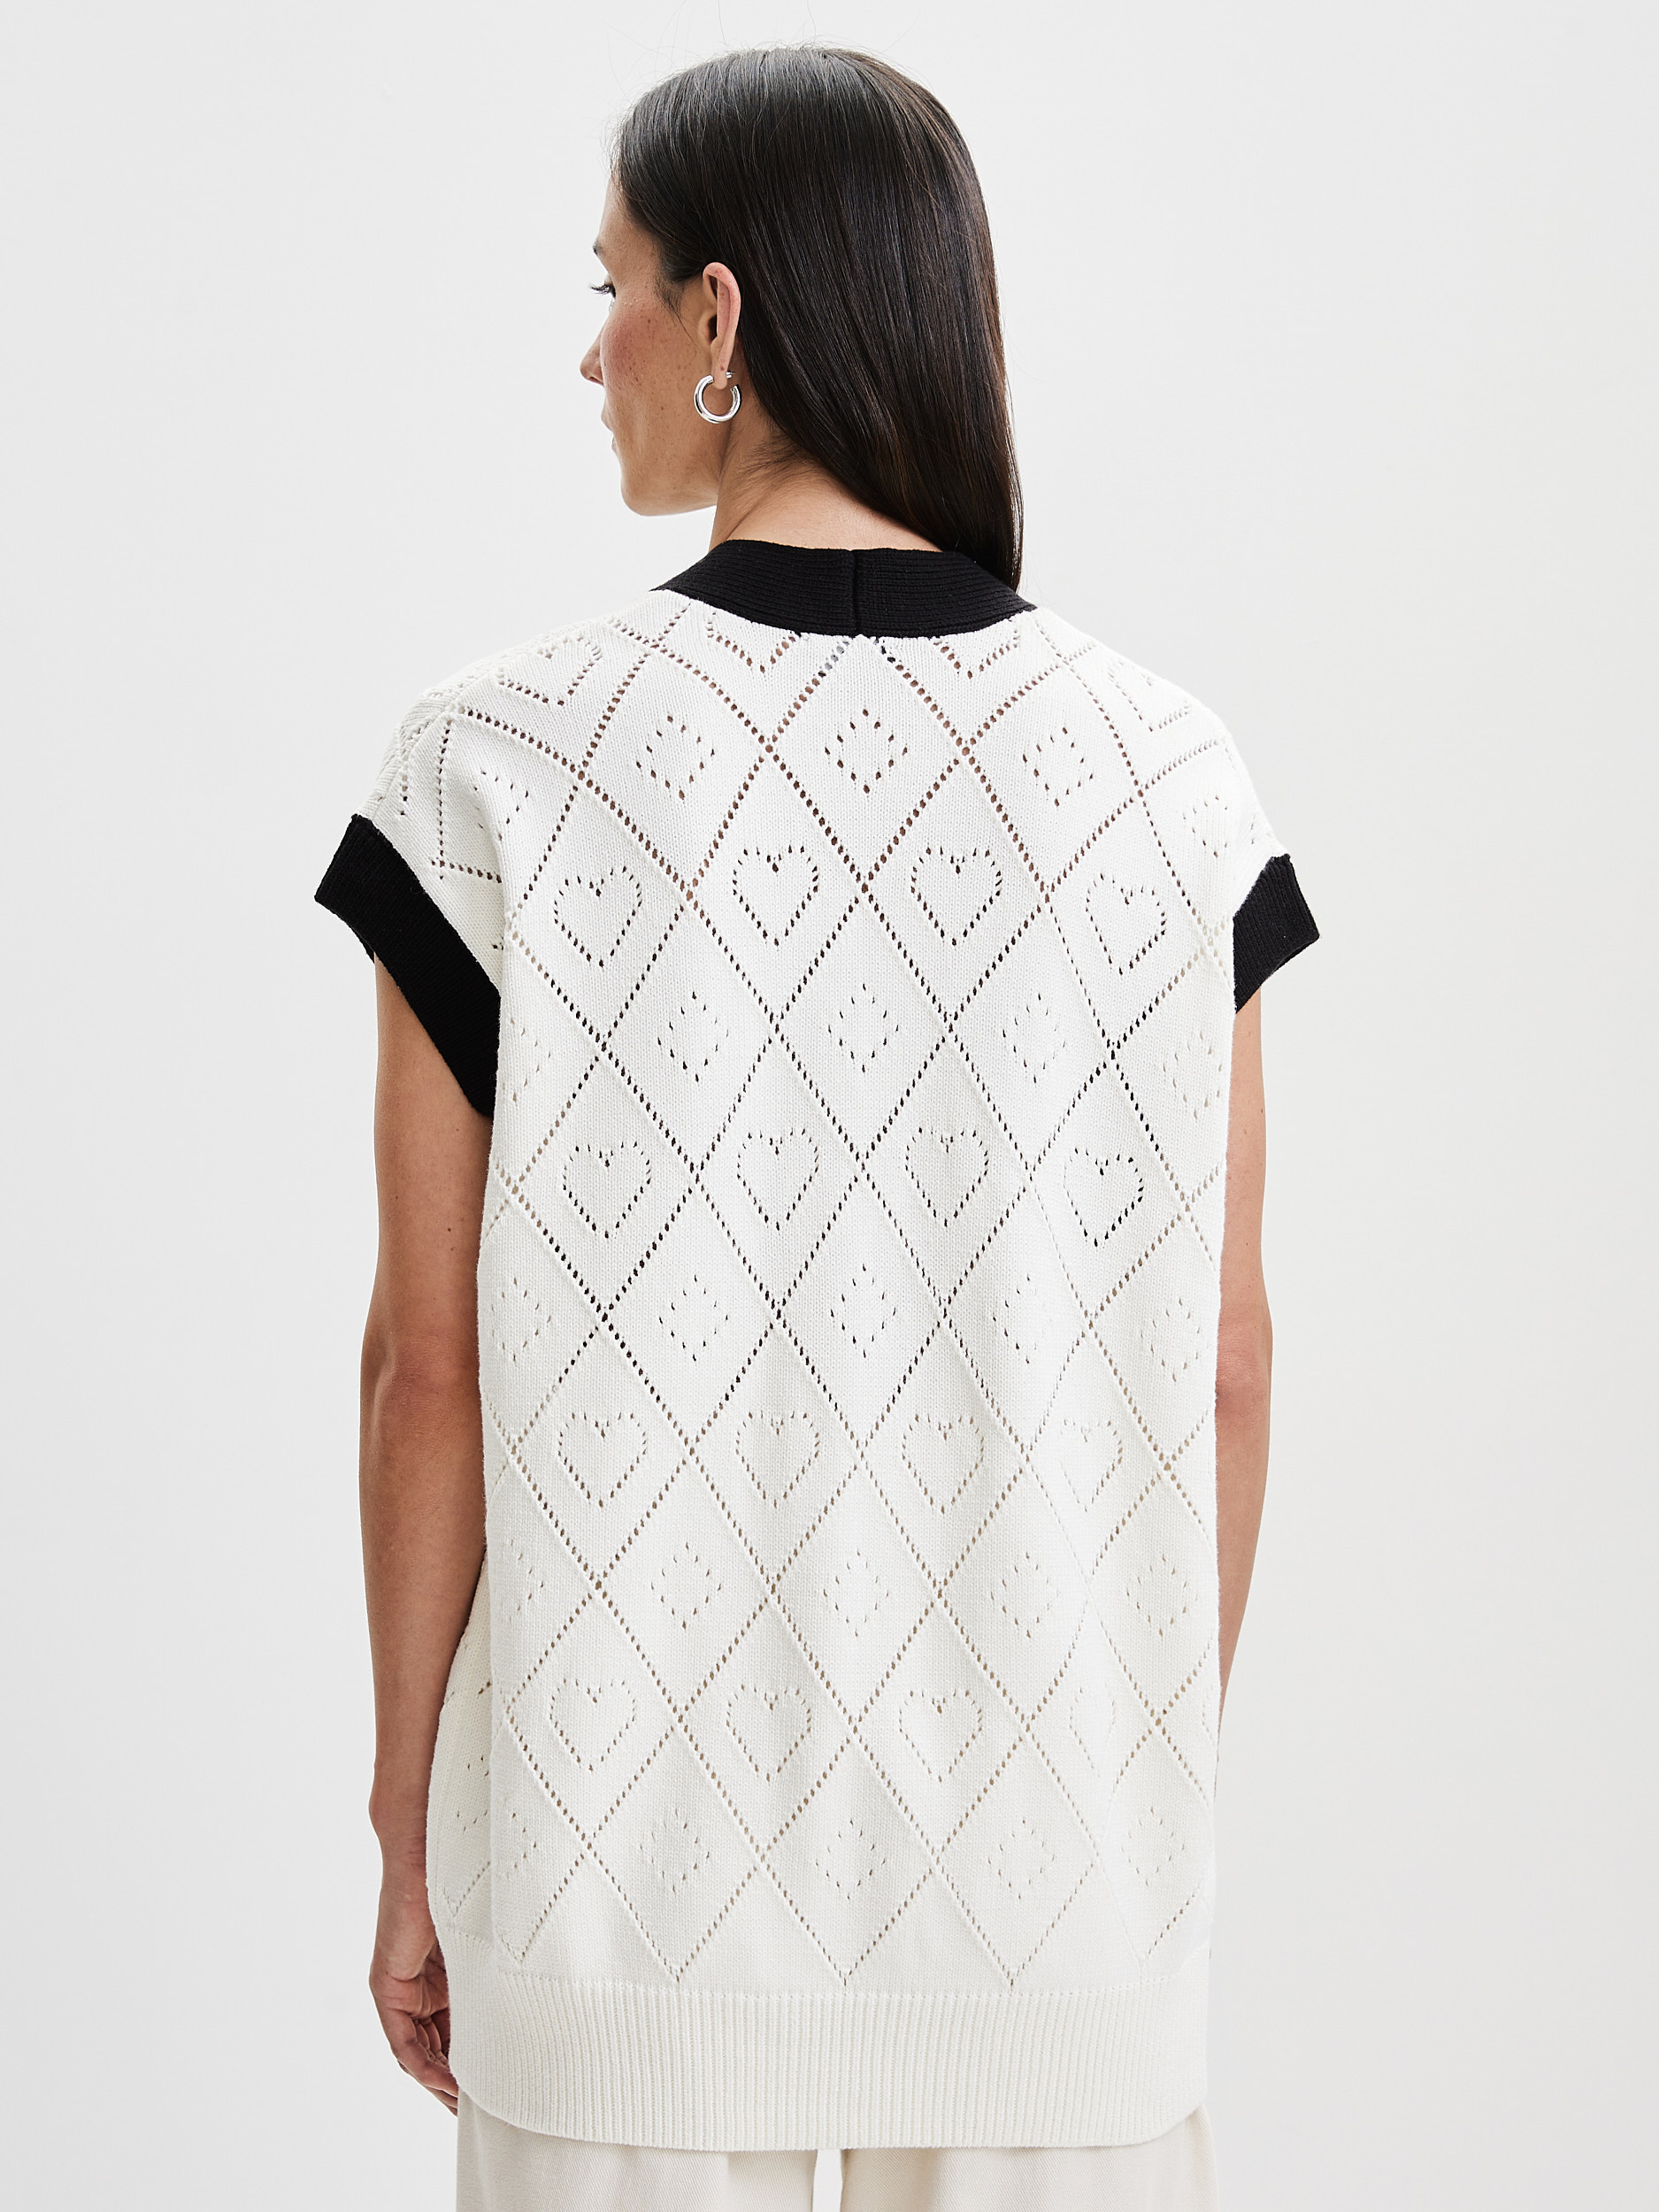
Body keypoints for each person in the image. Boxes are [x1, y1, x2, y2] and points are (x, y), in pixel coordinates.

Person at [317, 44, 1317, 2212]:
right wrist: (1124, 1786)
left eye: (609, 284)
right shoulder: (1169, 777)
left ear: (721, 318)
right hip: (1060, 1901)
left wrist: (408, 1818)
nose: (588, 349)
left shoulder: (492, 764)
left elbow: (431, 1368)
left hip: (608, 1886)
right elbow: (1222, 1364)